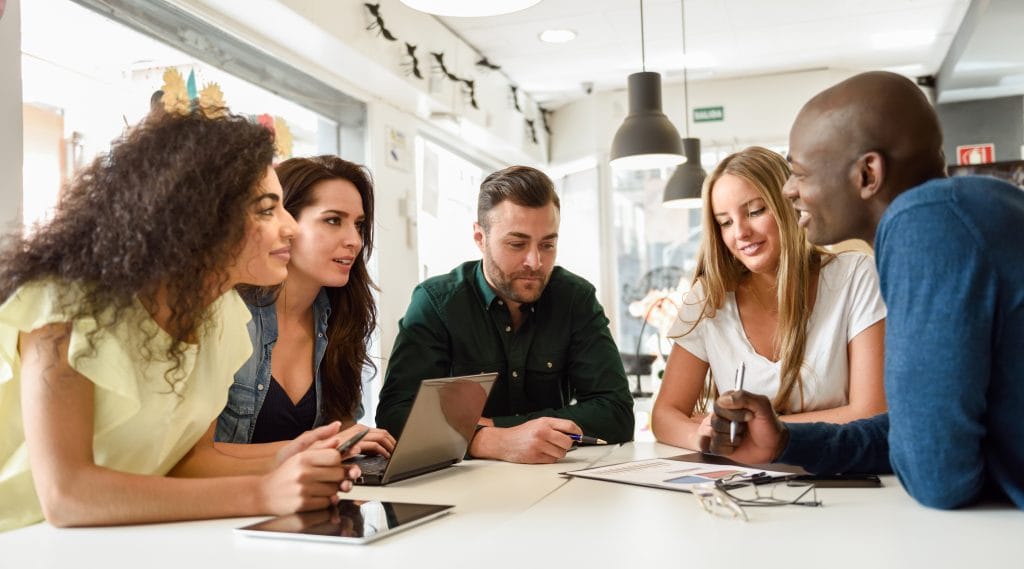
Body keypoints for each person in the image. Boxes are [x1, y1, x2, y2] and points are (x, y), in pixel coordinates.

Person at [0, 109, 361, 532]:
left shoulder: (224, 317)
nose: (290, 229)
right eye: (267, 210)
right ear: (199, 218)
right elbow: (67, 496)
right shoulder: (61, 307)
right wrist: (263, 492)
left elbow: (191, 460)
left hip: (122, 540)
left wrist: (287, 458)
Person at [706, 71, 1024, 510]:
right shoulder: (974, 204)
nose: (788, 189)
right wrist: (783, 440)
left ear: (867, 173)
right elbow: (912, 430)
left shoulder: (926, 224)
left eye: (799, 172)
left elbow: (938, 476)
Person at [375, 165, 634, 464]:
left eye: (547, 244)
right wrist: (488, 441)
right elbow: (395, 416)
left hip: (556, 484)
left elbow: (616, 413)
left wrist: (497, 426)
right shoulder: (437, 303)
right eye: (517, 244)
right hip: (464, 492)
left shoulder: (575, 298)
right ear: (479, 238)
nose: (535, 262)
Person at [652, 147, 886, 451]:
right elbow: (665, 415)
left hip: (839, 475)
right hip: (744, 481)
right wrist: (700, 436)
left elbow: (871, 413)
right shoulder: (708, 298)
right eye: (725, 222)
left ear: (788, 204)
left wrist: (757, 429)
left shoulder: (856, 276)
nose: (741, 233)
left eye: (755, 211)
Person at [214, 156, 395, 458]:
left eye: (359, 225)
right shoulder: (228, 315)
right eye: (333, 220)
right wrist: (319, 448)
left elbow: (342, 430)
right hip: (229, 502)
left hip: (301, 499)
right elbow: (192, 460)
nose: (354, 241)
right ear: (284, 223)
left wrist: (353, 443)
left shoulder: (342, 317)